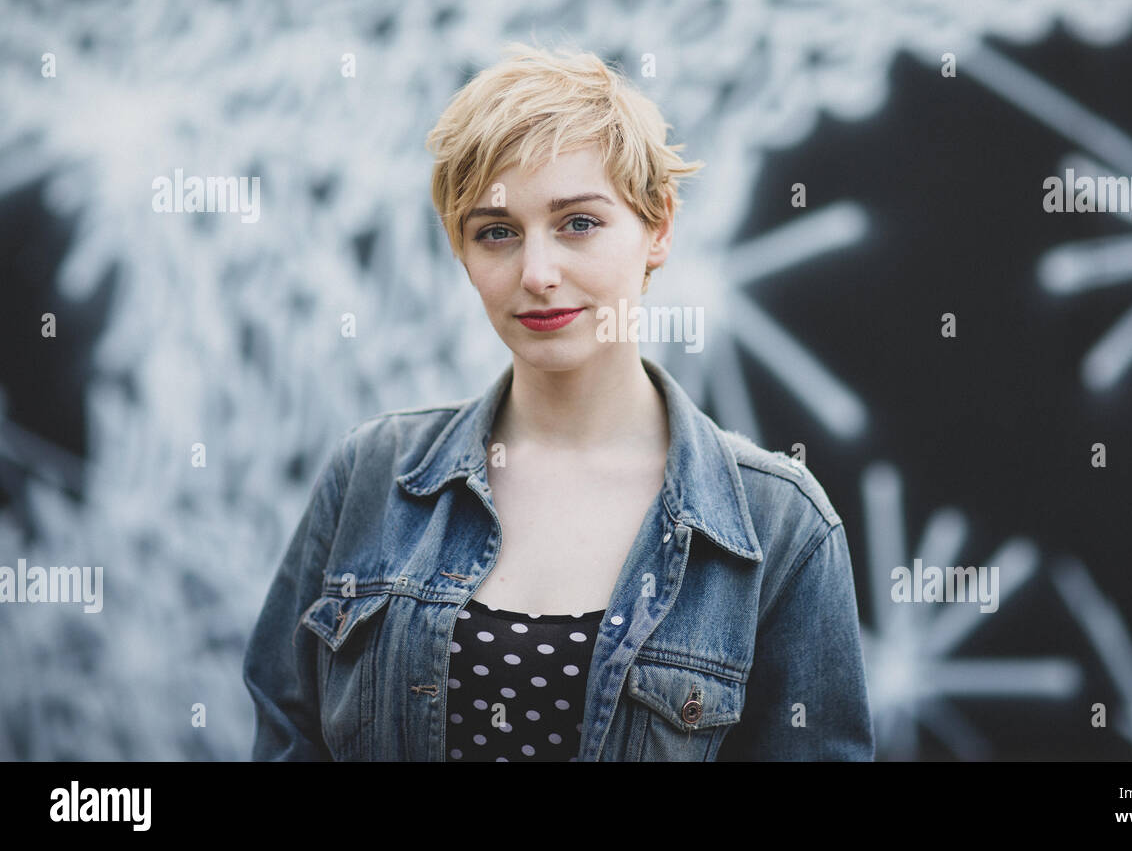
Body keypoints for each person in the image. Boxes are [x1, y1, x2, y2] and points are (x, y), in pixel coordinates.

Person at [242, 42, 875, 761]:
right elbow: (286, 735)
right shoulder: (372, 475)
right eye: (497, 233)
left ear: (658, 226)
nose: (537, 273)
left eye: (578, 223)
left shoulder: (777, 525)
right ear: (461, 250)